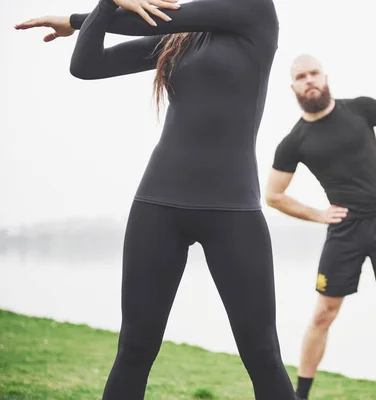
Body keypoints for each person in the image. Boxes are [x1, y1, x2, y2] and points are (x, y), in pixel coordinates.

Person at [15, 1, 296, 399]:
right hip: (158, 204)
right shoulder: (179, 40)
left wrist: (79, 19)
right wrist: (103, 8)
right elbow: (87, 66)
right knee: (134, 348)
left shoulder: (254, 11)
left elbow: (151, 18)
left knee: (263, 353)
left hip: (233, 211)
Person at [265, 54, 376, 400]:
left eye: (314, 73)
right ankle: (300, 395)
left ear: (325, 77)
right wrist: (318, 214)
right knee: (323, 314)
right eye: (300, 76)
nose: (309, 80)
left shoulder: (360, 109)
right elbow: (274, 196)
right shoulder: (294, 141)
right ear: (292, 86)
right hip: (345, 230)